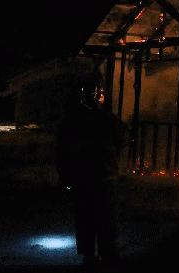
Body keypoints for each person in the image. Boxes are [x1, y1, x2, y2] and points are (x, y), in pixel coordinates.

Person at [55, 71, 126, 265]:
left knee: (86, 217)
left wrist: (66, 180)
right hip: (104, 178)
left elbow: (61, 153)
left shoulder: (72, 122)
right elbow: (120, 144)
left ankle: (90, 254)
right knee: (105, 218)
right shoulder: (109, 121)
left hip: (84, 178)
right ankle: (107, 252)